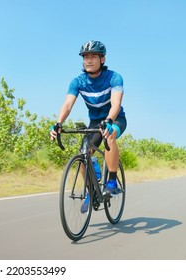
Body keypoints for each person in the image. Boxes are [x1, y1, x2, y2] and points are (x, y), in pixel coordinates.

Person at [49, 40, 127, 213]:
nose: (89, 60)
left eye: (93, 56)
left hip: (115, 119)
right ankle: (92, 190)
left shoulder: (114, 77)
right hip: (94, 122)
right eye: (85, 57)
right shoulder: (78, 81)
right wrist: (58, 123)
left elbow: (116, 103)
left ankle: (112, 181)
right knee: (83, 153)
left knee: (109, 134)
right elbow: (68, 104)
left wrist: (108, 120)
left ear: (102, 59)